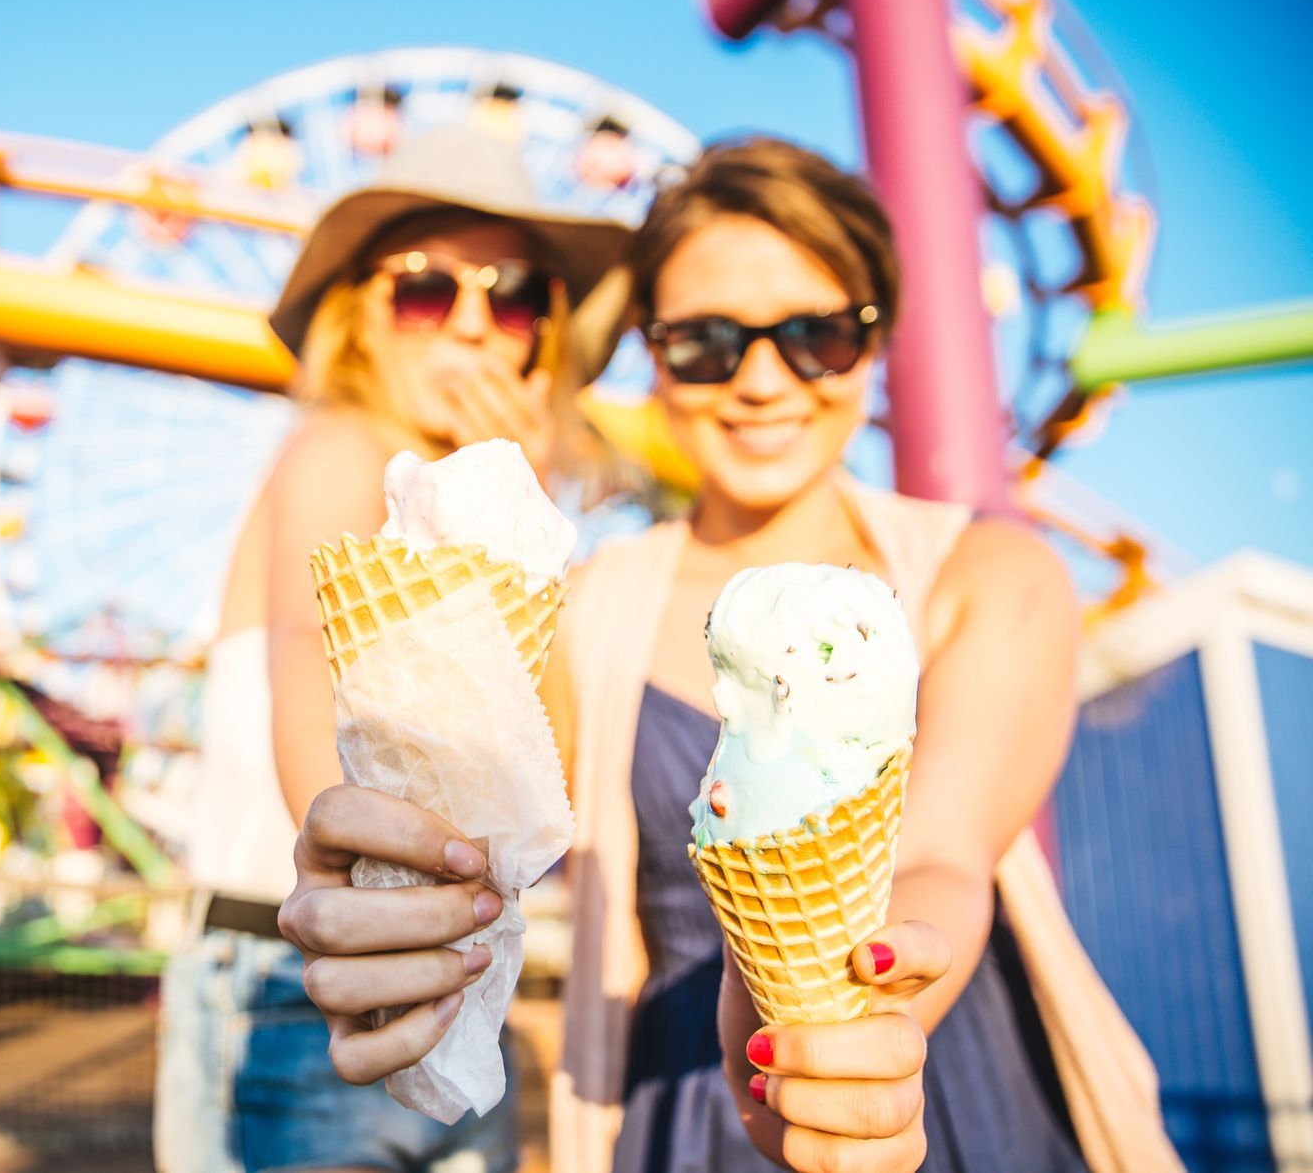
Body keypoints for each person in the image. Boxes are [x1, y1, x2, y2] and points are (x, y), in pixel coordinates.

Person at [280, 138, 1108, 1173]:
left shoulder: (987, 575)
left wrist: (850, 1036)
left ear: (877, 339)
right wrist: (379, 887)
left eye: (816, 335)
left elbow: (941, 858)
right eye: (708, 341)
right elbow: (484, 840)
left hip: (933, 1087)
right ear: (651, 349)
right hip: (675, 1113)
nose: (763, 381)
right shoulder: (583, 609)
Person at [156, 127, 633, 1173]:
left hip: (454, 964)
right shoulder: (339, 451)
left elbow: (543, 774)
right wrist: (368, 900)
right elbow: (311, 691)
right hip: (300, 970)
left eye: (513, 294)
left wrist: (527, 516)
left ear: (542, 334)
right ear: (362, 314)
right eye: (426, 288)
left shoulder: (502, 534)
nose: (472, 323)